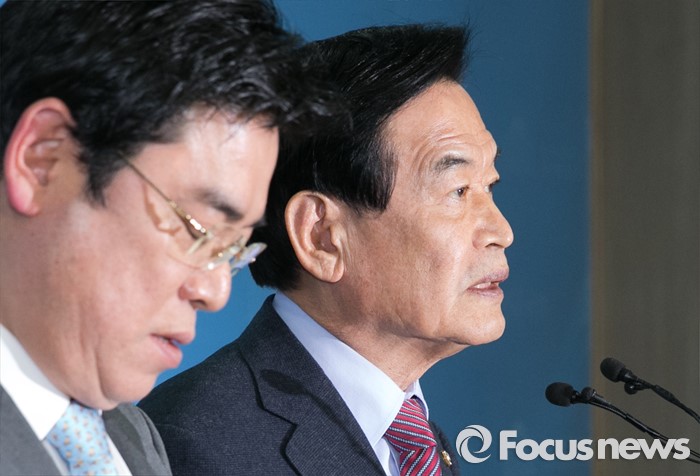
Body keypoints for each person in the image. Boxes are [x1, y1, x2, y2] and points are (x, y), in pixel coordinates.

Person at [140, 24, 514, 475]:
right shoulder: (197, 448)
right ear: (322, 236)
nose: (502, 231)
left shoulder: (414, 439)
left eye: (489, 186)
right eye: (458, 190)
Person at [0, 1, 327, 475]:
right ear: (43, 160)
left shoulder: (136, 440)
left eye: (233, 250)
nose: (215, 292)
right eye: (198, 228)